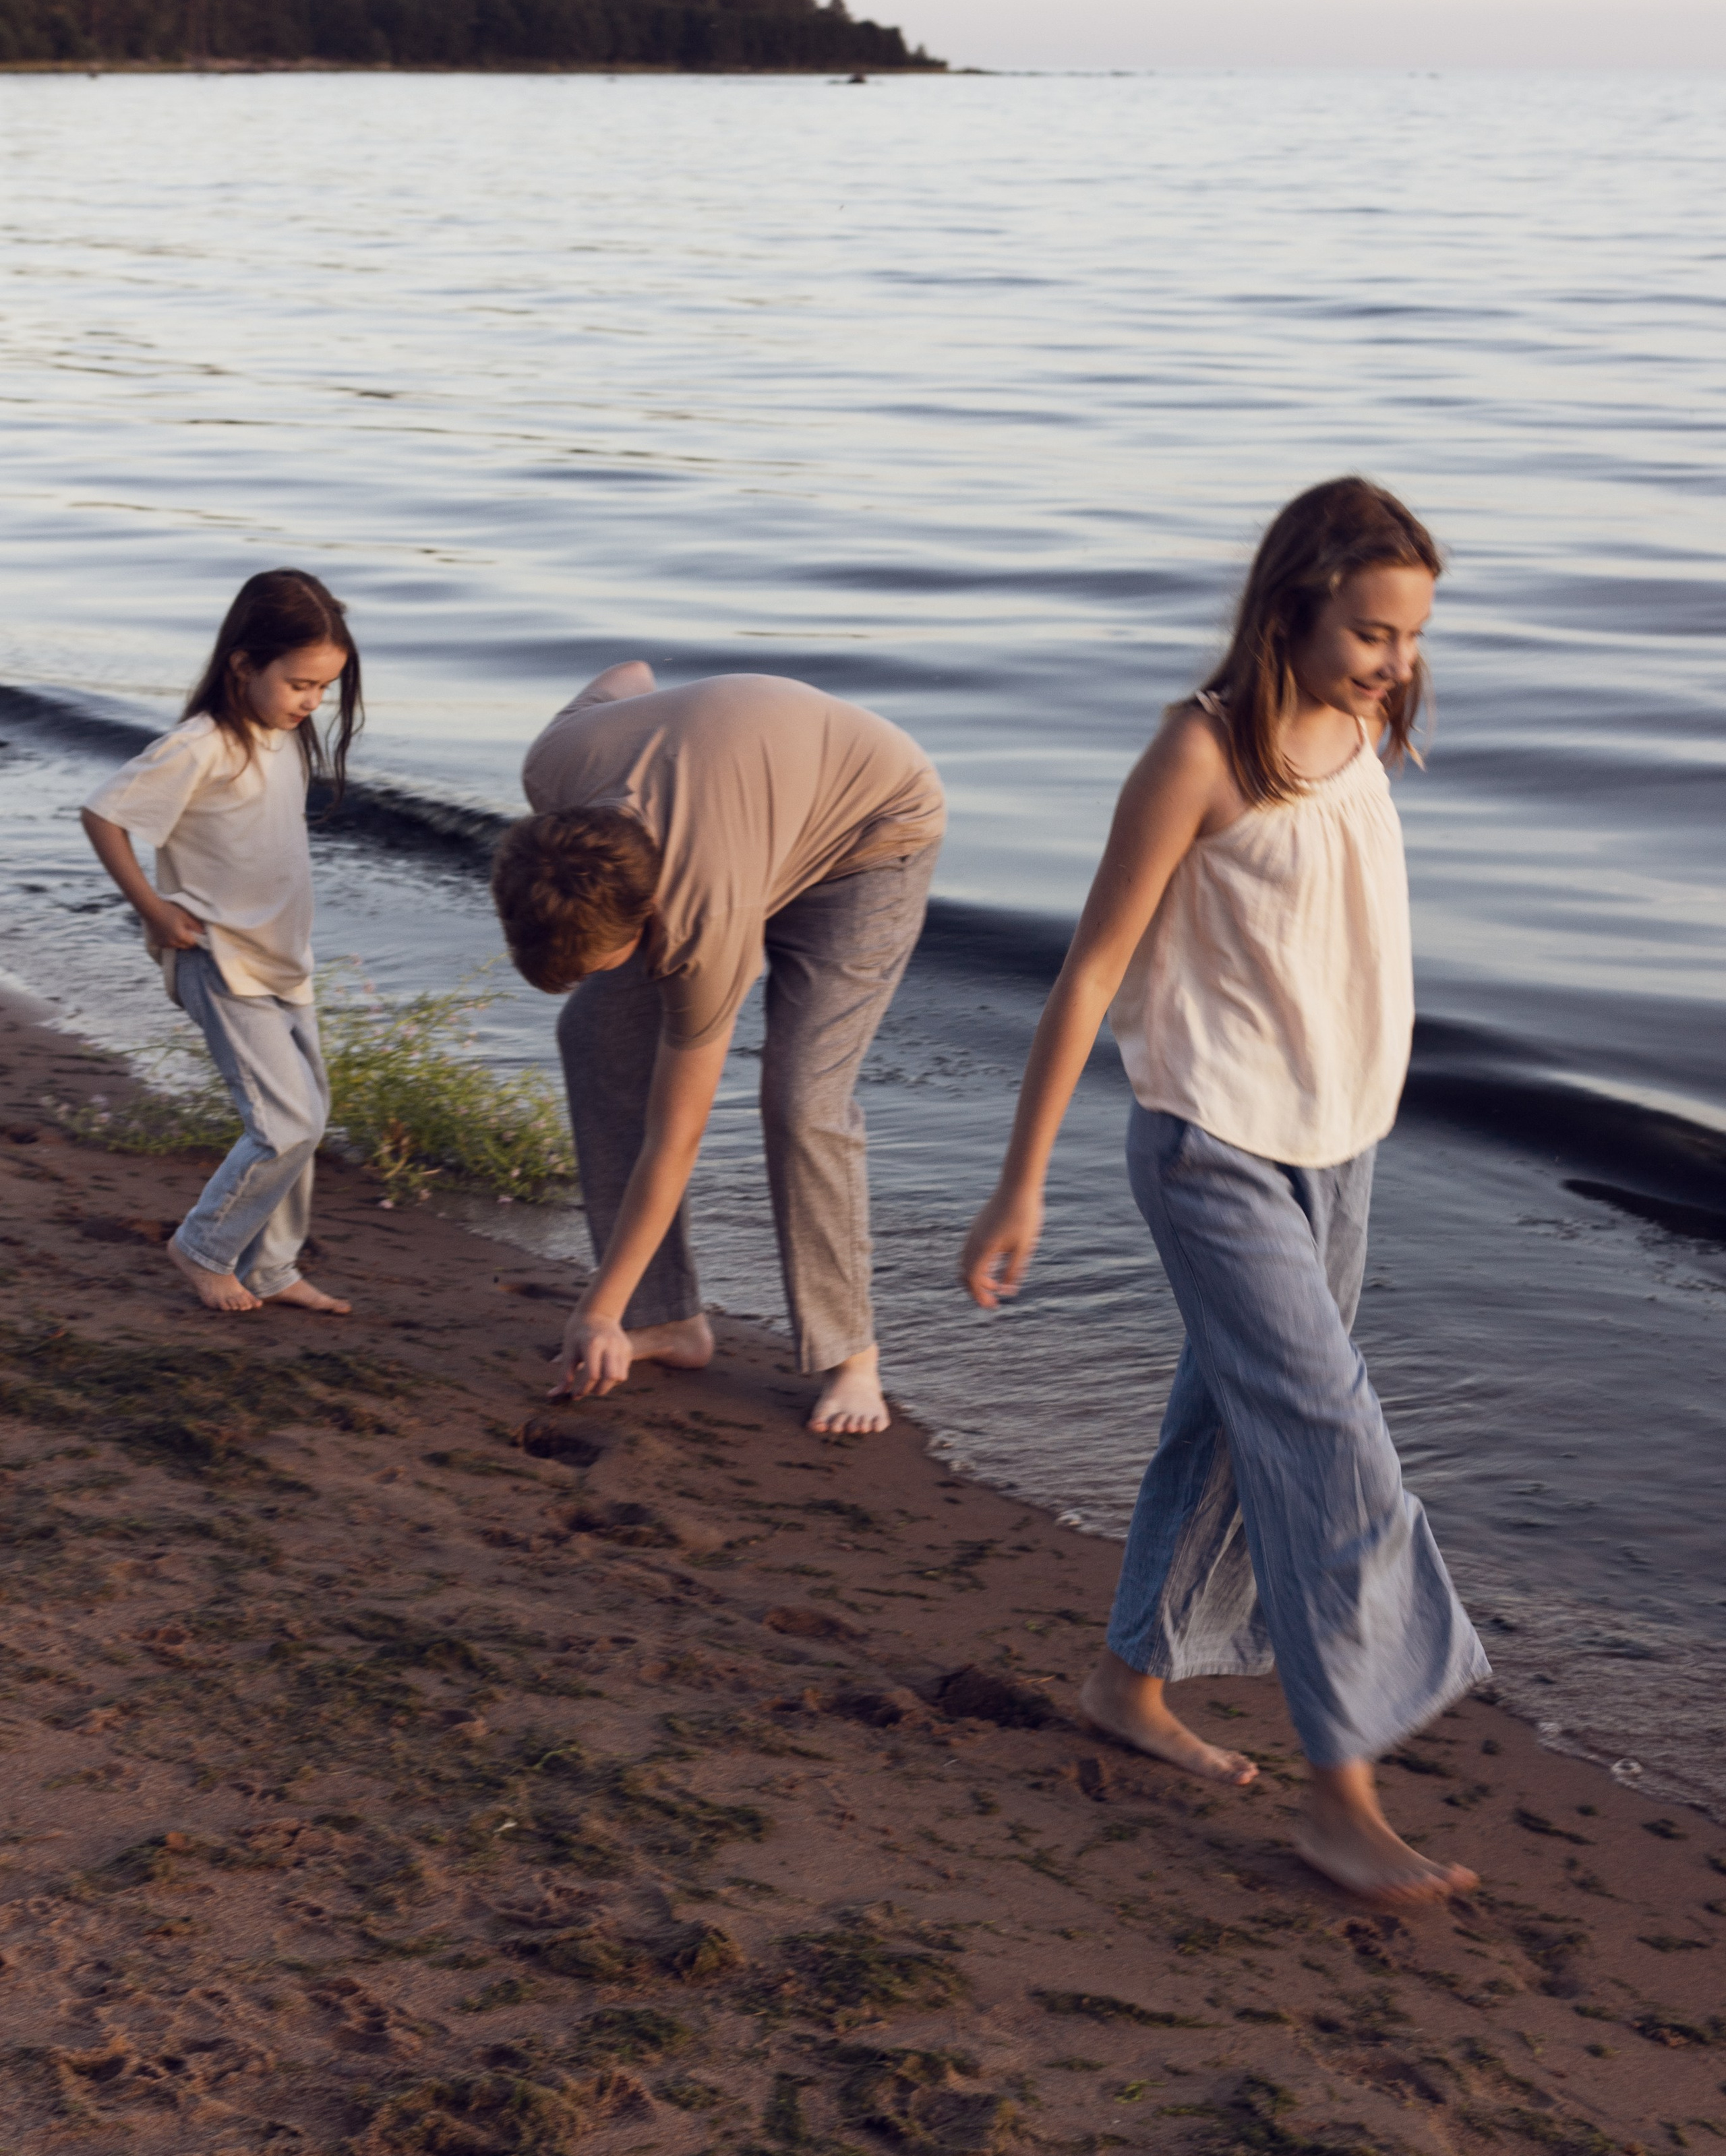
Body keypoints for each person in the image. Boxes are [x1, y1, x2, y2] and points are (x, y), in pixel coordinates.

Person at [960, 479, 1488, 1907]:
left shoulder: (1368, 725)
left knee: (1222, 1430)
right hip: (1210, 1151)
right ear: (1290, 602)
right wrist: (1018, 1189)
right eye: (1370, 631)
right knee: (1329, 1451)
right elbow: (1089, 972)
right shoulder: (1196, 754)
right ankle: (1339, 1792)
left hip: (1341, 1143)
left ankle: (1126, 1681)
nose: (1394, 662)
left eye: (1410, 636)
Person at [493, 664, 944, 1436]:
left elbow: (678, 1137)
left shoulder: (705, 918)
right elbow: (628, 674)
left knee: (802, 1099)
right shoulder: (554, 765)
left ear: (648, 919)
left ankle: (851, 1356)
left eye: (608, 960)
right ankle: (666, 1321)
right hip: (749, 807)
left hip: (872, 828)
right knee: (593, 1033)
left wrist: (592, 1307)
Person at [81, 569, 361, 1318]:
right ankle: (204, 1247)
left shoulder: (282, 738)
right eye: (300, 684)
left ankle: (272, 1267)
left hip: (281, 961)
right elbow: (104, 814)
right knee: (284, 1124)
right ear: (243, 664)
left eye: (323, 690)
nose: (311, 703)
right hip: (219, 959)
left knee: (309, 1115)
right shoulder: (199, 745)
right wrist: (151, 908)